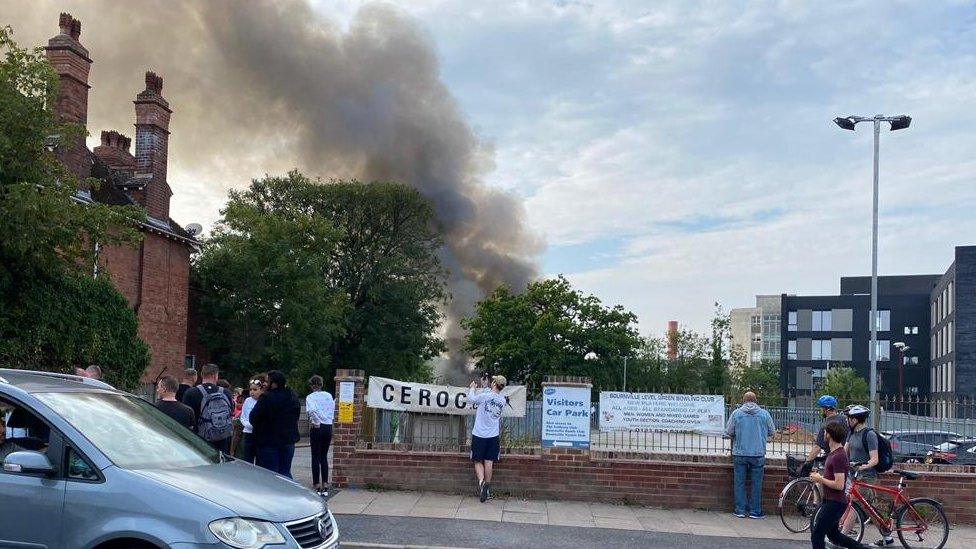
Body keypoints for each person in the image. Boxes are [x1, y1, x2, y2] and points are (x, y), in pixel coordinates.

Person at [809, 421, 870, 549]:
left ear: (830, 435)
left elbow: (839, 485)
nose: (823, 434)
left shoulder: (839, 456)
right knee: (834, 535)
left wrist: (820, 479)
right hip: (831, 501)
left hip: (835, 503)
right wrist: (820, 478)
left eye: (825, 432)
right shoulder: (833, 454)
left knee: (817, 534)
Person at [845, 405, 892, 547]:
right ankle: (887, 538)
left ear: (855, 420)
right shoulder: (851, 433)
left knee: (855, 504)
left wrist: (862, 466)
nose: (847, 421)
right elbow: (844, 451)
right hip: (855, 476)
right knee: (869, 509)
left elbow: (874, 459)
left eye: (849, 418)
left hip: (867, 476)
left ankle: (841, 536)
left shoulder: (869, 434)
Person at [725, 391, 776, 519]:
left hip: (740, 453)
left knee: (740, 482)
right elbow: (772, 432)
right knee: (756, 483)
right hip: (758, 453)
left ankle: (740, 510)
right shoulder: (764, 414)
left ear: (744, 400)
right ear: (755, 400)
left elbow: (729, 432)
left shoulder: (736, 413)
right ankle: (755, 511)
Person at [249, 370, 301, 477]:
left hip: (268, 442)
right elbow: (296, 415)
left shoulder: (266, 398)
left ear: (274, 383)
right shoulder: (292, 396)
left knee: (270, 475)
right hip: (288, 440)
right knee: (285, 472)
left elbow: (253, 417)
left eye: (267, 381)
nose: (264, 384)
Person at [468, 374, 508, 503]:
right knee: (489, 461)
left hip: (479, 434)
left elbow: (472, 399)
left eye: (493, 381)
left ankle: (481, 483)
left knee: (477, 461)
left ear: (495, 384)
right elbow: (491, 395)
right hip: (493, 436)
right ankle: (488, 488)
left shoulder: (485, 396)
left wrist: (473, 388)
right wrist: (485, 386)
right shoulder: (502, 401)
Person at [181, 363, 234, 452]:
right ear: (215, 376)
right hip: (222, 437)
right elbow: (230, 412)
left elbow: (185, 416)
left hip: (199, 439)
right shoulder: (226, 392)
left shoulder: (191, 392)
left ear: (201, 375)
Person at [306, 375, 335, 497]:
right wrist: (329, 421)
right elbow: (332, 409)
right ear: (322, 384)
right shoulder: (328, 396)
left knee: (315, 455)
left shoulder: (310, 397)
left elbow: (312, 411)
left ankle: (316, 483)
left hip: (317, 427)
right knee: (324, 455)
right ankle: (325, 482)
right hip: (328, 426)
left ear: (312, 385)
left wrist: (317, 422)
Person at [806, 395, 849, 465]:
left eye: (821, 408)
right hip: (844, 457)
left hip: (833, 460)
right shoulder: (844, 420)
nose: (820, 410)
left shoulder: (827, 424)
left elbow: (817, 447)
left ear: (827, 409)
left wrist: (807, 462)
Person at [239, 375, 266, 464]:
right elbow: (243, 417)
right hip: (248, 433)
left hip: (260, 434)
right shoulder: (247, 400)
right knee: (247, 458)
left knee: (260, 459)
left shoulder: (264, 401)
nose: (252, 392)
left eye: (255, 390)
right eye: (251, 390)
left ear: (261, 390)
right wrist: (249, 425)